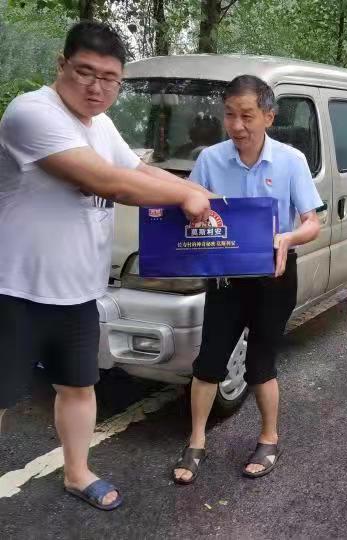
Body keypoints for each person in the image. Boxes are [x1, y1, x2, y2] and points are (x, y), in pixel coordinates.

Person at [0, 22, 211, 511]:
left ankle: (77, 473)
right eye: (85, 72)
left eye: (110, 78)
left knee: (78, 386)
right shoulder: (32, 113)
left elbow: (138, 170)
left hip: (78, 291)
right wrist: (185, 197)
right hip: (16, 288)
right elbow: (109, 183)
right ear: (61, 65)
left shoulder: (100, 124)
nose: (97, 88)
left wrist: (202, 194)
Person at [172, 75, 322, 484]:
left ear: (269, 117)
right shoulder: (210, 160)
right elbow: (188, 204)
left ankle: (269, 438)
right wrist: (191, 213)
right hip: (225, 277)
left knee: (260, 363)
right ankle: (196, 441)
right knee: (208, 362)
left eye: (247, 116)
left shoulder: (291, 161)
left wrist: (287, 237)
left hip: (274, 276)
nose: (237, 126)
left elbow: (312, 223)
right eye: (229, 115)